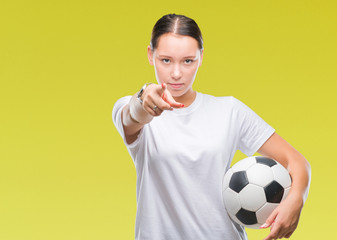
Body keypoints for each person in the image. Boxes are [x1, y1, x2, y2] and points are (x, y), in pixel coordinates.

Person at [112, 13, 311, 240]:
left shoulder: (229, 110)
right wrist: (144, 95)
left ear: (201, 57)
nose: (176, 73)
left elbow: (296, 162)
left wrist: (297, 199)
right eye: (166, 60)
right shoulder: (130, 107)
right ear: (150, 54)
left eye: (188, 61)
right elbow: (132, 116)